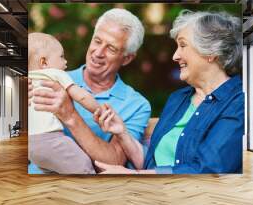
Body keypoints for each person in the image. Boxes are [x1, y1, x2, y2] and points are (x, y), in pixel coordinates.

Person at [93, 10, 244, 174]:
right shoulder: (178, 99)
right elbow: (152, 164)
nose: (175, 56)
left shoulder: (238, 102)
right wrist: (122, 132)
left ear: (211, 52)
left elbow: (208, 170)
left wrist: (134, 177)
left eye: (183, 45)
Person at [29, 8, 151, 171]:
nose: (98, 53)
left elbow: (114, 162)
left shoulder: (136, 105)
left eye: (111, 48)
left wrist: (70, 115)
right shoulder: (54, 78)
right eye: (97, 41)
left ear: (127, 58)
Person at [28, 32, 101, 174]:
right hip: (50, 140)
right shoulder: (54, 74)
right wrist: (99, 109)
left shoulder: (28, 79)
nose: (65, 62)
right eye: (61, 57)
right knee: (83, 165)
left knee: (52, 173)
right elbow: (82, 97)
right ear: (44, 62)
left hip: (31, 146)